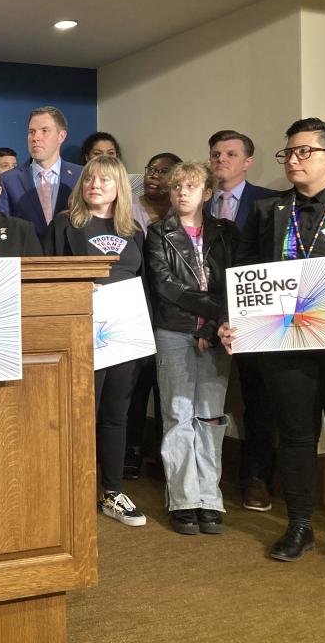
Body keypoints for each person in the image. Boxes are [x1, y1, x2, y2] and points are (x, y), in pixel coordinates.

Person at [220, 117, 325, 561]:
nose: (294, 160)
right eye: (289, 152)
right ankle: (300, 524)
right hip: (287, 343)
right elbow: (244, 274)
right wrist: (233, 321)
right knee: (297, 437)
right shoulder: (268, 210)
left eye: (305, 151)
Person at [44, 155, 146, 526]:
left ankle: (111, 492)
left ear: (119, 186)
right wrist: (74, 288)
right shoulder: (65, 225)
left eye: (104, 181)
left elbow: (143, 285)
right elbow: (44, 280)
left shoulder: (134, 231)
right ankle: (72, 489)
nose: (95, 186)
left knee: (116, 415)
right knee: (79, 414)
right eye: (89, 180)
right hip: (80, 333)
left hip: (124, 336)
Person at [146, 161, 237, 535]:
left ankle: (209, 499)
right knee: (178, 414)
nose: (182, 192)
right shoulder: (158, 232)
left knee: (210, 416)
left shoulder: (226, 233)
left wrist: (215, 325)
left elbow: (233, 283)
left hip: (218, 334)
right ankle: (184, 500)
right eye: (176, 187)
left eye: (190, 186)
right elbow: (167, 287)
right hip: (174, 331)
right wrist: (214, 310)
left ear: (206, 192)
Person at [207, 129, 279, 512]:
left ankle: (256, 478)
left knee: (258, 396)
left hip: (255, 310)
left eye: (231, 154)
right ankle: (202, 478)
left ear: (247, 161)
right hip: (205, 309)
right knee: (203, 393)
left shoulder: (269, 202)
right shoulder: (196, 200)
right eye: (216, 153)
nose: (222, 159)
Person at [123, 152, 180, 479]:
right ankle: (130, 449)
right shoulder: (127, 207)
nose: (153, 175)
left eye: (162, 171)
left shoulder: (181, 211)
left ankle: (163, 453)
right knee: (136, 383)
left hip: (170, 310)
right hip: (134, 305)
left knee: (167, 388)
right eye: (150, 168)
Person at [0, 106, 84, 238]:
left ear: (61, 136)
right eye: (31, 132)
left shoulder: (82, 176)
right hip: (26, 256)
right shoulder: (8, 180)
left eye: (44, 131)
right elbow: (4, 229)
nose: (35, 137)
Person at [131, 153, 179, 231]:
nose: (155, 176)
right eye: (151, 170)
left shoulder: (181, 210)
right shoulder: (127, 207)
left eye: (164, 172)